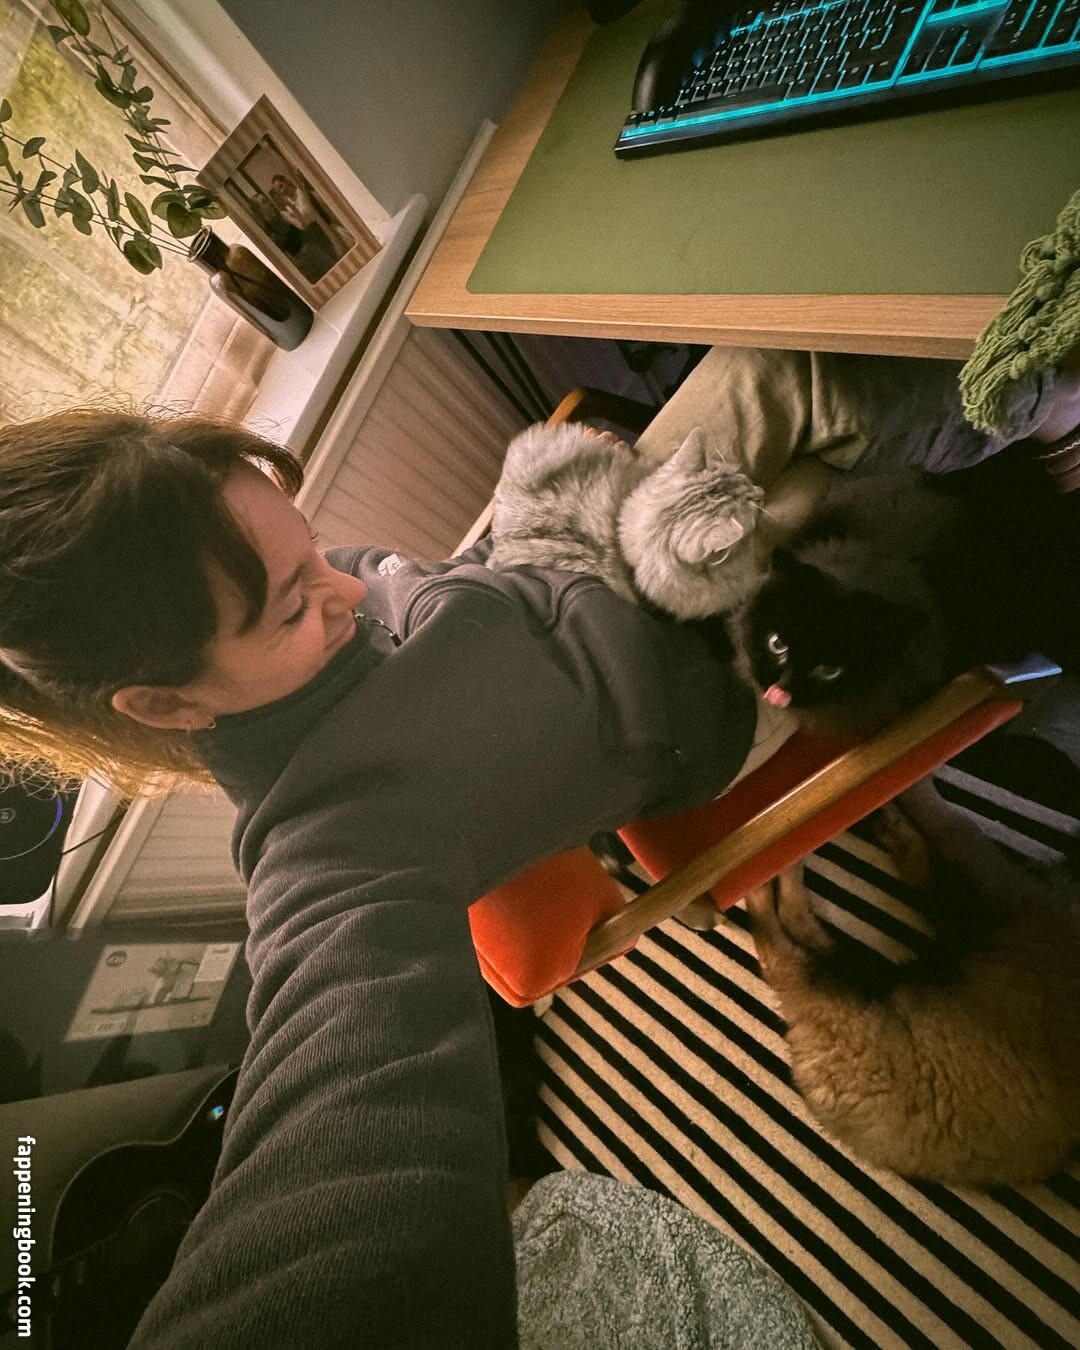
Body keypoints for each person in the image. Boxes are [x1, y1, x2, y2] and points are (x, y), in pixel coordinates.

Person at [0, 348, 1076, 1348]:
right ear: (163, 701)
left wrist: (523, 537)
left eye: (311, 548)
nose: (345, 589)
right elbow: (346, 1186)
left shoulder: (311, 595)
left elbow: (390, 582)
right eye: (292, 610)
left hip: (573, 557)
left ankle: (1034, 388)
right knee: (836, 484)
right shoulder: (332, 848)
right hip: (705, 680)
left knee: (783, 370)